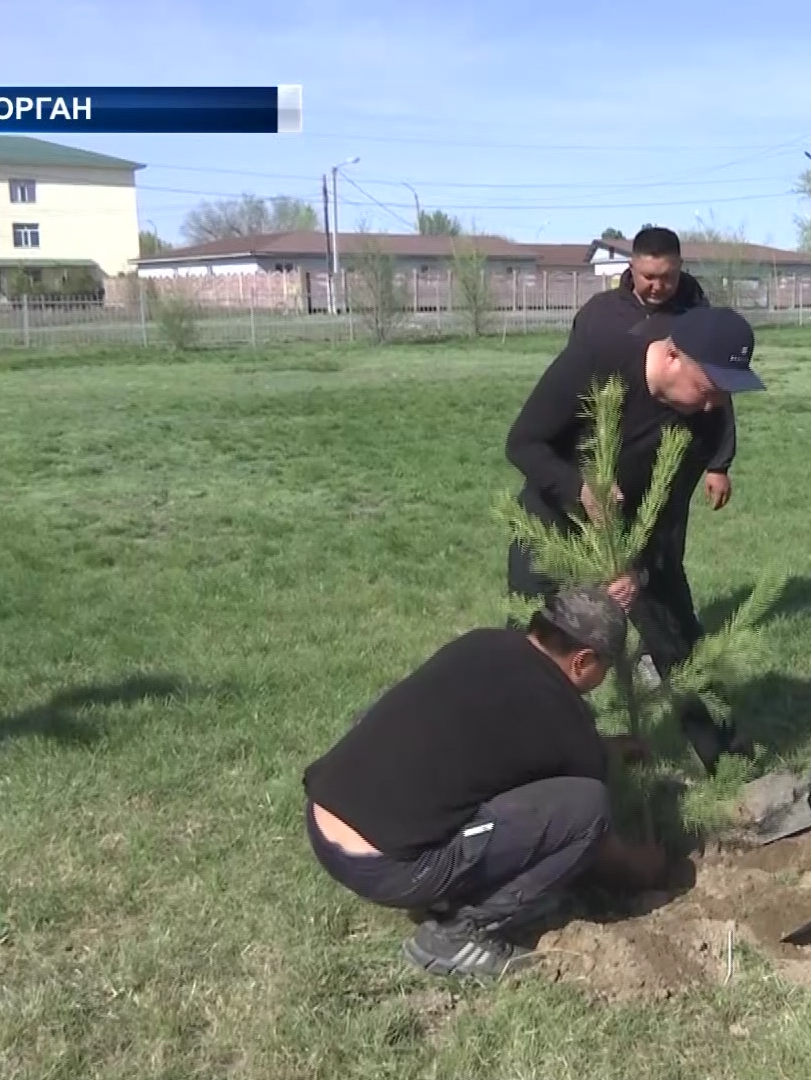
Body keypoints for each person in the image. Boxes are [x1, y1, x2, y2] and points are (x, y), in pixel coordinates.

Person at [302, 587, 668, 979]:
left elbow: (510, 737)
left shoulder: (483, 644)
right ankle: (457, 934)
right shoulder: (563, 714)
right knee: (588, 807)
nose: (605, 677)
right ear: (582, 662)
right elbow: (599, 843)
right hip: (389, 867)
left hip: (326, 816)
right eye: (606, 668)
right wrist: (638, 867)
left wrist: (606, 748)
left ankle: (448, 881)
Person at [507, 303, 766, 772]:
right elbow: (524, 442)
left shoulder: (705, 419)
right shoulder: (597, 361)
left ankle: (727, 762)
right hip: (552, 525)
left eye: (726, 395)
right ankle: (537, 767)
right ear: (672, 356)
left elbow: (666, 513)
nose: (715, 406)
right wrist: (581, 490)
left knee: (679, 639)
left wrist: (640, 573)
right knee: (540, 650)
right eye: (709, 388)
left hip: (638, 537)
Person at [569, 225, 737, 516]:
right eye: (649, 277)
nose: (658, 287)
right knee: (608, 548)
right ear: (632, 267)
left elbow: (718, 394)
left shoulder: (699, 321)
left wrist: (718, 464)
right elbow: (571, 387)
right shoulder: (598, 314)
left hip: (672, 459)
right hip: (609, 453)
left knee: (663, 551)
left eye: (667, 277)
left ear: (680, 267)